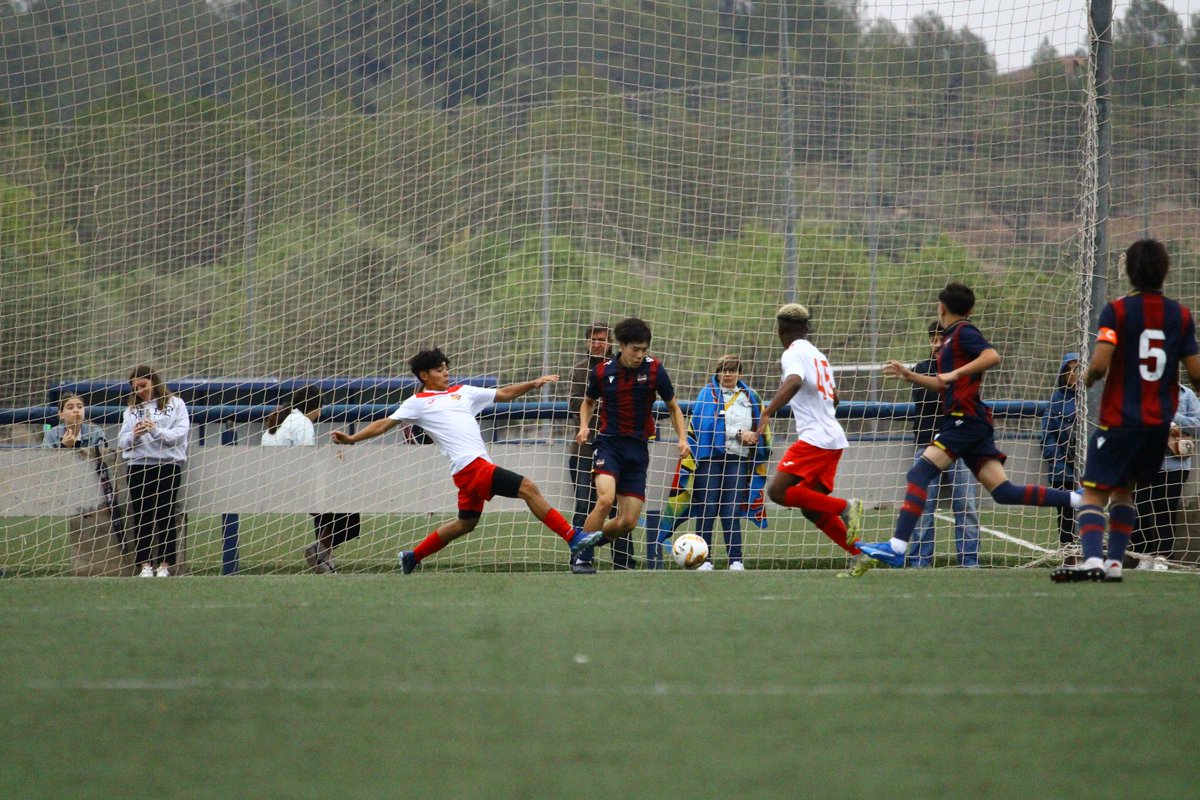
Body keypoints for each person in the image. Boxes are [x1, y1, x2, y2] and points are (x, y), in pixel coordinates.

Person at [861, 282, 1080, 569]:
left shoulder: (964, 332)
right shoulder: (950, 341)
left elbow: (992, 356)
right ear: (971, 307)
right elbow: (942, 383)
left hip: (963, 420)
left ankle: (897, 547)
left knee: (919, 473)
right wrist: (909, 375)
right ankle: (1082, 500)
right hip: (973, 421)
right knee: (1004, 492)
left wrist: (957, 372)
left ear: (942, 308)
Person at [331, 347, 600, 572]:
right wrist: (353, 440)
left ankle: (412, 557)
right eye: (439, 369)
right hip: (472, 467)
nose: (446, 372)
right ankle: (572, 537)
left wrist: (532, 383)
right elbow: (384, 424)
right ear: (424, 375)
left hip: (468, 470)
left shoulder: (464, 391)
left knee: (465, 524)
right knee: (528, 488)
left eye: (446, 367)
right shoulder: (418, 402)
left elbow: (504, 394)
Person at [1052, 241, 1200, 582]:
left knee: (1093, 492)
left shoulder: (1117, 311)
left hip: (1120, 421)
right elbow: (1195, 371)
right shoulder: (1181, 316)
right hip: (1158, 427)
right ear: (1165, 272)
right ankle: (1115, 564)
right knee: (1124, 492)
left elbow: (1101, 363)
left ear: (1129, 272)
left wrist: (1087, 377)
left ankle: (1092, 562)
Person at [750, 303, 869, 577]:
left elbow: (793, 381)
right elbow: (835, 398)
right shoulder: (819, 356)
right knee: (810, 507)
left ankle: (846, 507)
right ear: (806, 329)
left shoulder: (792, 354)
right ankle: (859, 555)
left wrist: (767, 411)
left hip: (816, 439)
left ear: (780, 331)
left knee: (777, 492)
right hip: (833, 438)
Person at [576, 318, 691, 559]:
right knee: (605, 501)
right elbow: (588, 402)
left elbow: (673, 407)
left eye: (644, 350)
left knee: (628, 522)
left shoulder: (655, 370)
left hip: (638, 450)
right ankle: (582, 556)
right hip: (608, 445)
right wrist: (584, 426)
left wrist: (682, 438)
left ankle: (586, 540)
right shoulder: (602, 371)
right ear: (621, 345)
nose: (640, 355)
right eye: (635, 349)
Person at [261, 385, 361, 574]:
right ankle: (321, 550)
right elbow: (306, 460)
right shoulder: (303, 422)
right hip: (294, 486)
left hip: (273, 484)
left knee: (330, 506)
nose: (320, 415)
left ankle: (323, 555)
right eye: (320, 410)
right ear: (314, 407)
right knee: (347, 502)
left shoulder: (279, 420)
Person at [906, 322, 980, 568]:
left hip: (958, 447)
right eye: (933, 339)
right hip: (927, 446)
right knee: (922, 508)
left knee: (966, 506)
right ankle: (920, 561)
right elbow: (925, 396)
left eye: (942, 339)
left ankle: (969, 562)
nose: (937, 344)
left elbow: (963, 398)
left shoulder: (965, 369)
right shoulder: (922, 369)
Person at [687, 354, 768, 570]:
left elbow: (761, 423)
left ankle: (735, 559)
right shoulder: (707, 394)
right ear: (717, 372)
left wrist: (754, 436)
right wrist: (738, 432)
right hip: (710, 457)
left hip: (738, 457)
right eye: (724, 370)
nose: (728, 374)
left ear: (740, 373)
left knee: (731, 508)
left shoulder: (749, 396)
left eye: (733, 370)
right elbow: (704, 423)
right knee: (707, 506)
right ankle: (703, 559)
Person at [563, 322, 633, 574]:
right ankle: (581, 557)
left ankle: (623, 562)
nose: (597, 343)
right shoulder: (580, 370)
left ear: (611, 342)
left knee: (620, 506)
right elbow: (575, 405)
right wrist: (601, 416)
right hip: (585, 450)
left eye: (602, 339)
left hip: (618, 448)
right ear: (587, 342)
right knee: (584, 504)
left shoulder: (625, 367)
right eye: (593, 339)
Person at [117, 365, 190, 578]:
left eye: (143, 385)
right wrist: (136, 435)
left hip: (167, 465)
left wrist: (155, 430)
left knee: (165, 514)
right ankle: (145, 565)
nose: (140, 390)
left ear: (154, 382)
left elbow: (180, 434)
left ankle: (165, 565)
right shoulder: (131, 411)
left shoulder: (175, 404)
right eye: (136, 388)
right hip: (138, 466)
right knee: (142, 515)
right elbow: (123, 441)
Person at [1128, 379, 1200, 570]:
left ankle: (1162, 557)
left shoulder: (1186, 395)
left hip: (1176, 464)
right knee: (1139, 507)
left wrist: (1175, 418)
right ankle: (1143, 554)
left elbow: (1198, 425)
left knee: (1165, 509)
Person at [1040, 352, 1080, 553]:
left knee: (1092, 511)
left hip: (1091, 469)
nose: (1073, 374)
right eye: (1069, 369)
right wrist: (1057, 459)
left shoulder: (1095, 397)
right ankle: (1068, 552)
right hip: (1064, 470)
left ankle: (1092, 550)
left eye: (1077, 369)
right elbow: (1047, 435)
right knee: (1066, 514)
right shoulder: (1056, 400)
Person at [42, 394, 107, 450]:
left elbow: (102, 460)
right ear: (61, 414)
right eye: (70, 408)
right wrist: (64, 446)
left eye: (80, 407)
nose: (76, 410)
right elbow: (46, 462)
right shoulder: (52, 434)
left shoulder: (96, 432)